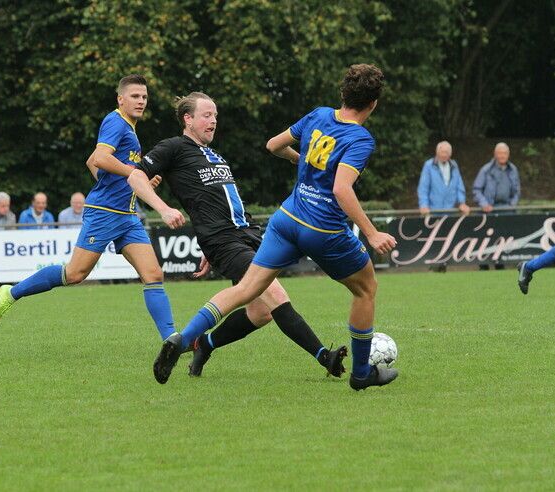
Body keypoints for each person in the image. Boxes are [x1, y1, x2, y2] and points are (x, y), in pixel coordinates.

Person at [152, 64, 399, 391]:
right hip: (322, 229)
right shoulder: (360, 138)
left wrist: (306, 161)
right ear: (373, 104)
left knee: (246, 290)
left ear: (343, 94)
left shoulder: (319, 115)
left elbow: (273, 145)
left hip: (287, 218)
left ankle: (185, 339)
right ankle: (361, 373)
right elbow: (341, 189)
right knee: (365, 289)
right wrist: (372, 232)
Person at [129, 92, 347, 381]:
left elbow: (216, 201)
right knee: (275, 294)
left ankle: (203, 345)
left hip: (247, 235)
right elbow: (135, 176)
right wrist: (164, 208)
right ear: (188, 119)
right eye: (207, 115)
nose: (213, 121)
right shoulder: (174, 147)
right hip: (224, 240)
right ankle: (325, 357)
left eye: (215, 116)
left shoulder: (215, 155)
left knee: (261, 312)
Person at [0, 74, 183, 348]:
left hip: (127, 215)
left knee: (153, 275)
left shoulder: (129, 128)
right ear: (121, 99)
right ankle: (11, 292)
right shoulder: (115, 121)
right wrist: (135, 175)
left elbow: (93, 161)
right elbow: (100, 158)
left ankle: (172, 340)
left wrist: (135, 182)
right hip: (103, 212)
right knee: (75, 275)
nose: (141, 101)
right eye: (135, 96)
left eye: (145, 97)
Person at [417, 141, 470, 215]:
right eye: (442, 152)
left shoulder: (454, 166)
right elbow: (423, 188)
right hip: (433, 211)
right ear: (437, 153)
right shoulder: (429, 166)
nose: (444, 155)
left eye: (447, 152)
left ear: (450, 154)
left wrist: (462, 202)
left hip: (450, 211)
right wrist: (423, 205)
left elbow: (459, 186)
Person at [472, 142, 521, 213]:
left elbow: (517, 191)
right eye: (500, 153)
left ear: (508, 155)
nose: (502, 156)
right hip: (489, 210)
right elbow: (476, 190)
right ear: (495, 154)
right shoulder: (486, 170)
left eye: (505, 153)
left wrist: (513, 204)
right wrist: (484, 204)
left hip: (507, 209)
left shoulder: (513, 170)